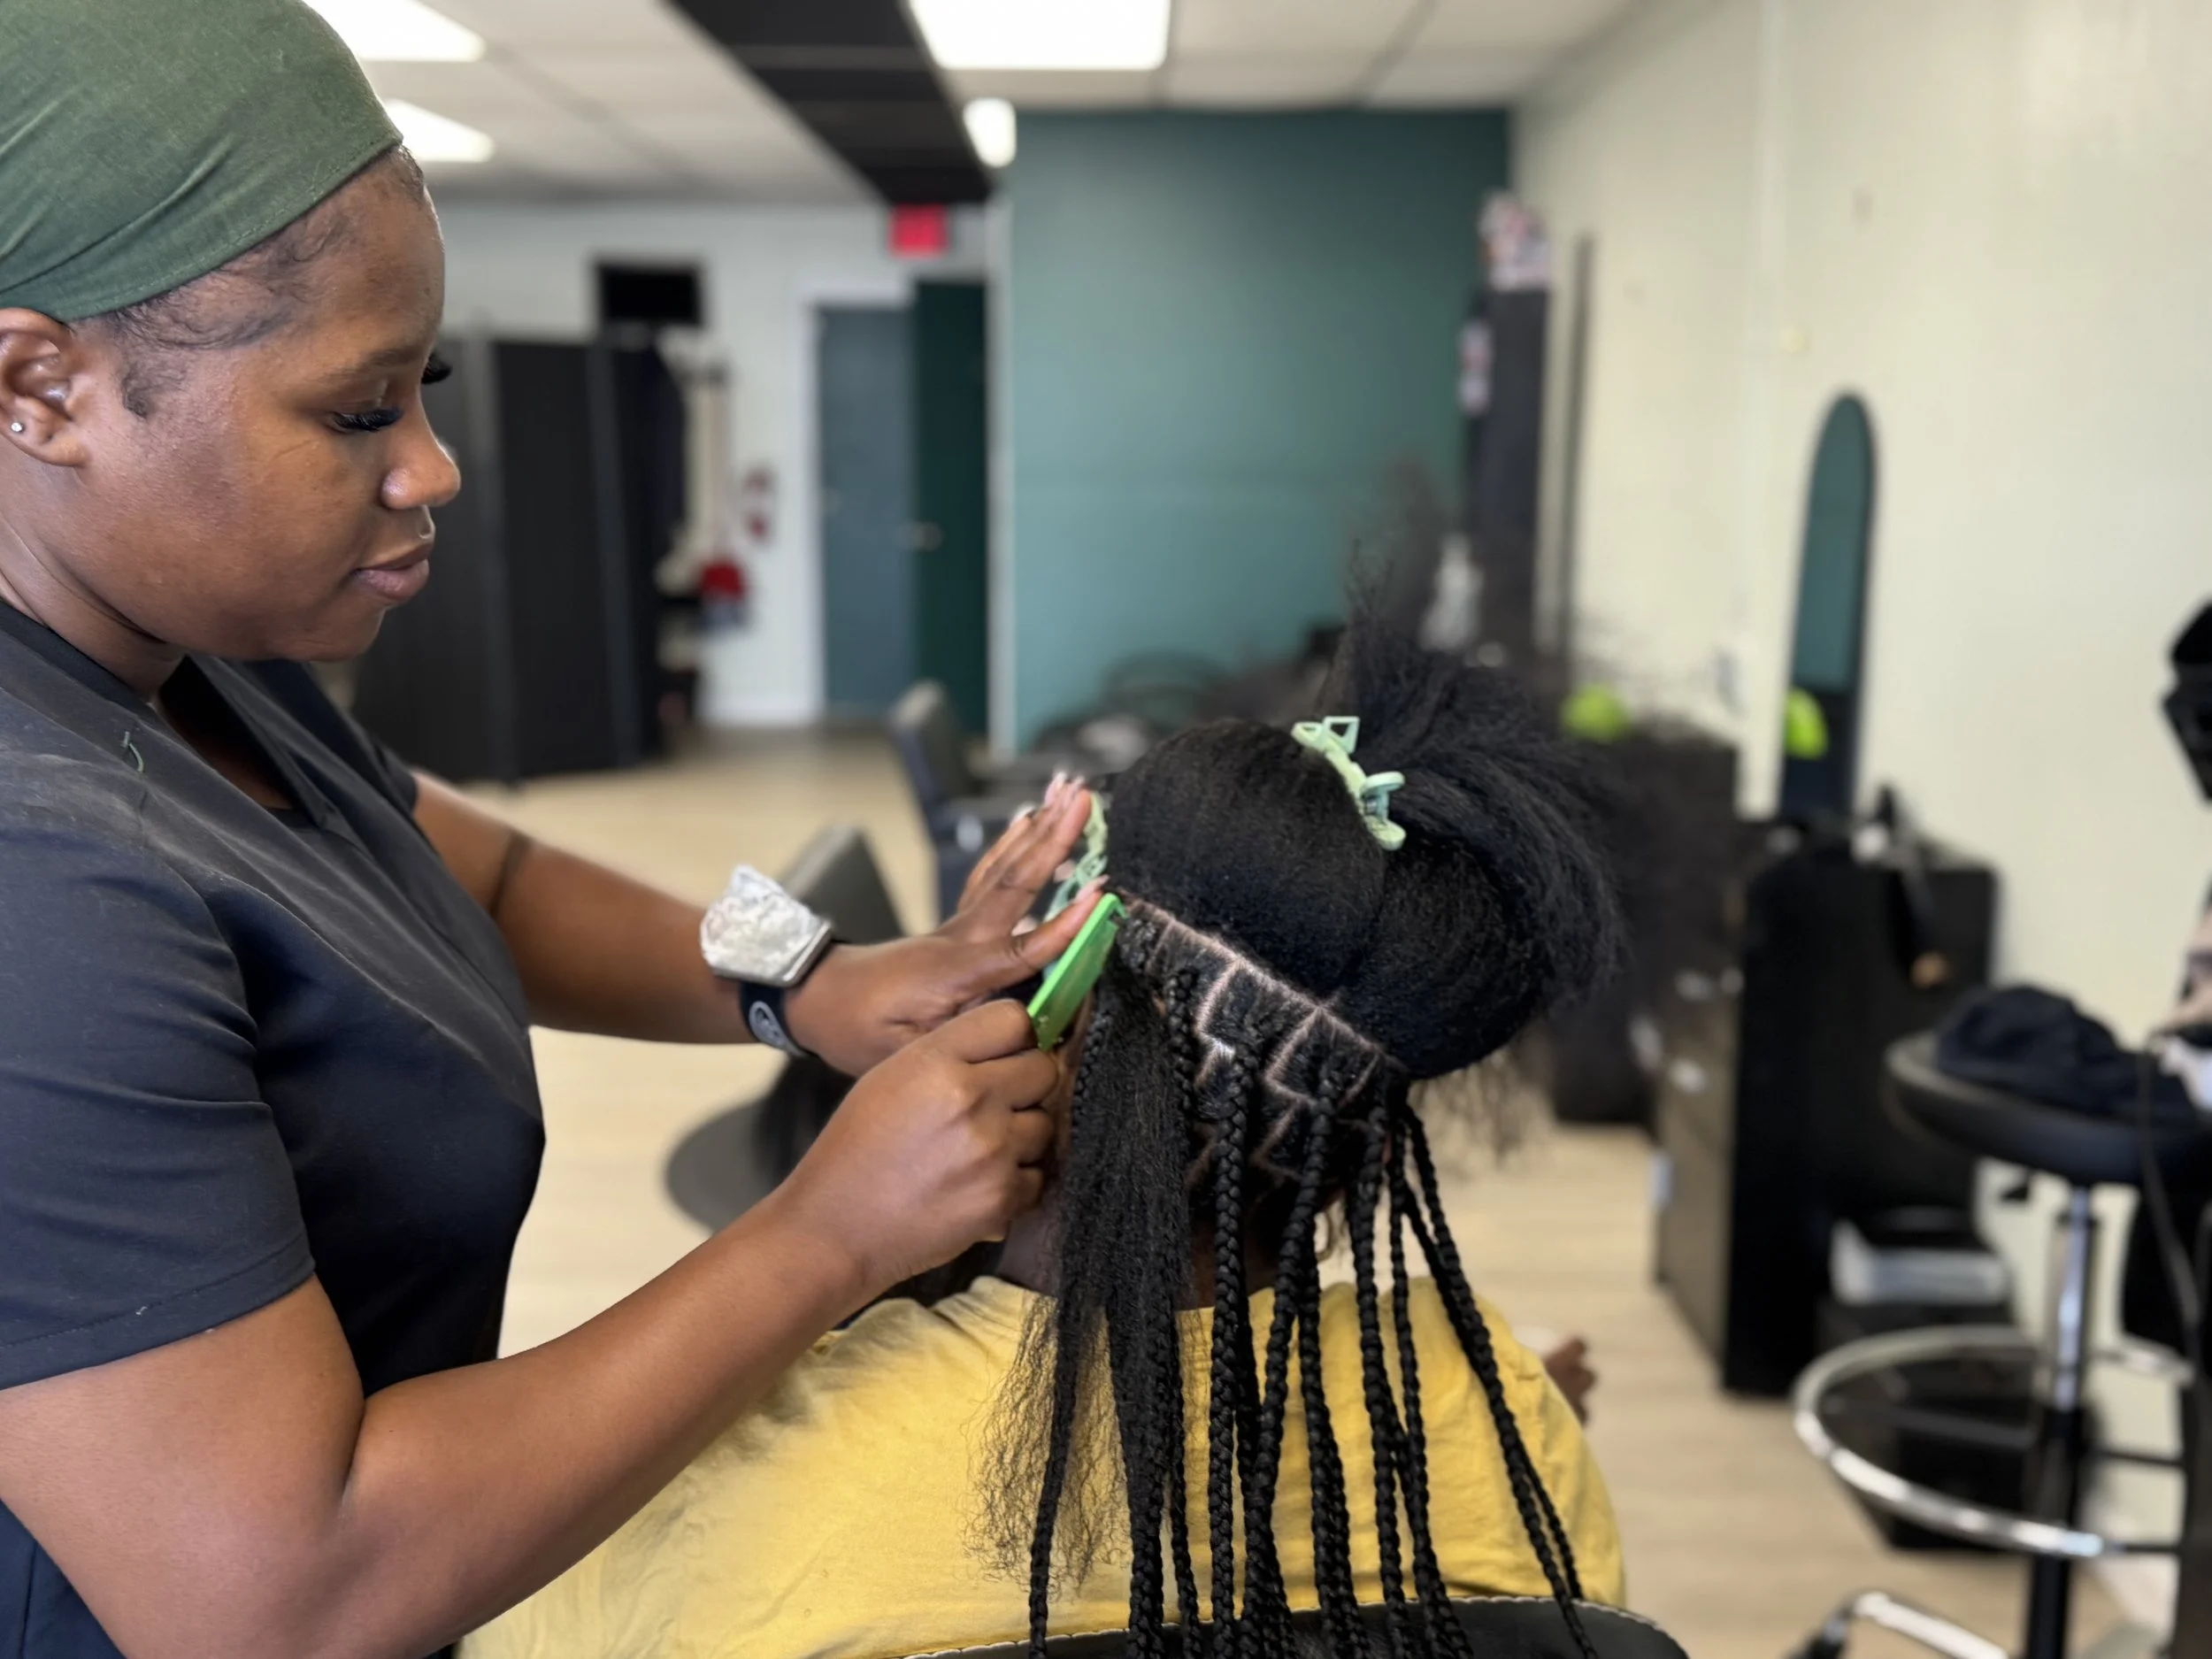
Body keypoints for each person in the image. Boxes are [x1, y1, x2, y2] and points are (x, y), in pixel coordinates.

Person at [0, 5, 1102, 1656]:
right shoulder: (39, 884)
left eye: (425, 388)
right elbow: (281, 1593)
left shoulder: (210, 665)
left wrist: (807, 979)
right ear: (43, 388)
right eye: (359, 411)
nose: (433, 467)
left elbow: (476, 869)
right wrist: (830, 1229)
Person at [468, 618, 1627, 1659]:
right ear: (1361, 1149)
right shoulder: (1507, 1422)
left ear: (1059, 996)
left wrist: (819, 1230)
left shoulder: (710, 1494)